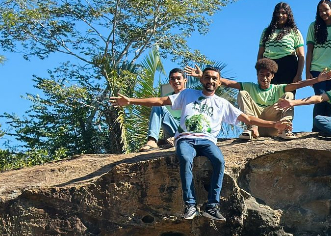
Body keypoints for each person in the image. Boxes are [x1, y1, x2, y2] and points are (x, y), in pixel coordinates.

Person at [110, 67, 292, 221]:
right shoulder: (187, 94)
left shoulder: (222, 103)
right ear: (201, 80)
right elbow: (160, 101)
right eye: (207, 77)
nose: (211, 81)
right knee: (185, 158)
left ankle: (212, 206)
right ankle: (190, 205)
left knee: (219, 162)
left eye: (214, 78)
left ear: (219, 82)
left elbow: (247, 118)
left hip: (207, 141)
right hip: (186, 138)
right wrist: (130, 101)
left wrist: (273, 124)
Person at [185, 61, 331, 140]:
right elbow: (226, 83)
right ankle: (251, 129)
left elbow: (298, 85)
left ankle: (284, 129)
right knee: (242, 93)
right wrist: (203, 77)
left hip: (274, 123)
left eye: (268, 75)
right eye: (261, 74)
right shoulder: (250, 86)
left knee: (289, 96)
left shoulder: (277, 88)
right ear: (257, 75)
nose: (264, 78)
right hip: (256, 122)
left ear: (272, 76)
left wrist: (317, 79)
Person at [306, 0, 331, 119]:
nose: (323, 13)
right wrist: (307, 71)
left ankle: (326, 127)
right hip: (316, 69)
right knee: (320, 96)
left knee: (329, 98)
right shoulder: (314, 26)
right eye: (320, 11)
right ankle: (317, 126)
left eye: (326, 9)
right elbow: (309, 50)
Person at [258, 2, 305, 85]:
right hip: (268, 66)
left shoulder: (295, 32)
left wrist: (298, 74)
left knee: (286, 96)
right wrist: (259, 71)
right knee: (269, 95)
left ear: (288, 15)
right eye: (278, 13)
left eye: (283, 13)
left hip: (288, 65)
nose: (280, 15)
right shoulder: (266, 32)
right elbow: (260, 53)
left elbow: (301, 56)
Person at [140, 68, 186, 152]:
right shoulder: (167, 98)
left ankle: (179, 139)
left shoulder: (192, 95)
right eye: (173, 79)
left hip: (188, 132)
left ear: (185, 80)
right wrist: (129, 101)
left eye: (178, 78)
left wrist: (201, 76)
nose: (176, 81)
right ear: (170, 82)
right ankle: (152, 140)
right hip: (172, 130)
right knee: (158, 105)